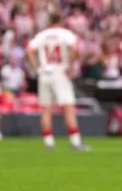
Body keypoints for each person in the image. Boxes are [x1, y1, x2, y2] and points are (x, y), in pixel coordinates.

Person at [25, 11, 89, 151]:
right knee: (68, 107)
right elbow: (75, 49)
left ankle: (49, 143)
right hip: (60, 72)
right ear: (61, 21)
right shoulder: (66, 34)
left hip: (45, 73)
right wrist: (69, 65)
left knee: (46, 109)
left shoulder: (42, 35)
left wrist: (36, 66)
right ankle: (75, 141)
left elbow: (29, 50)